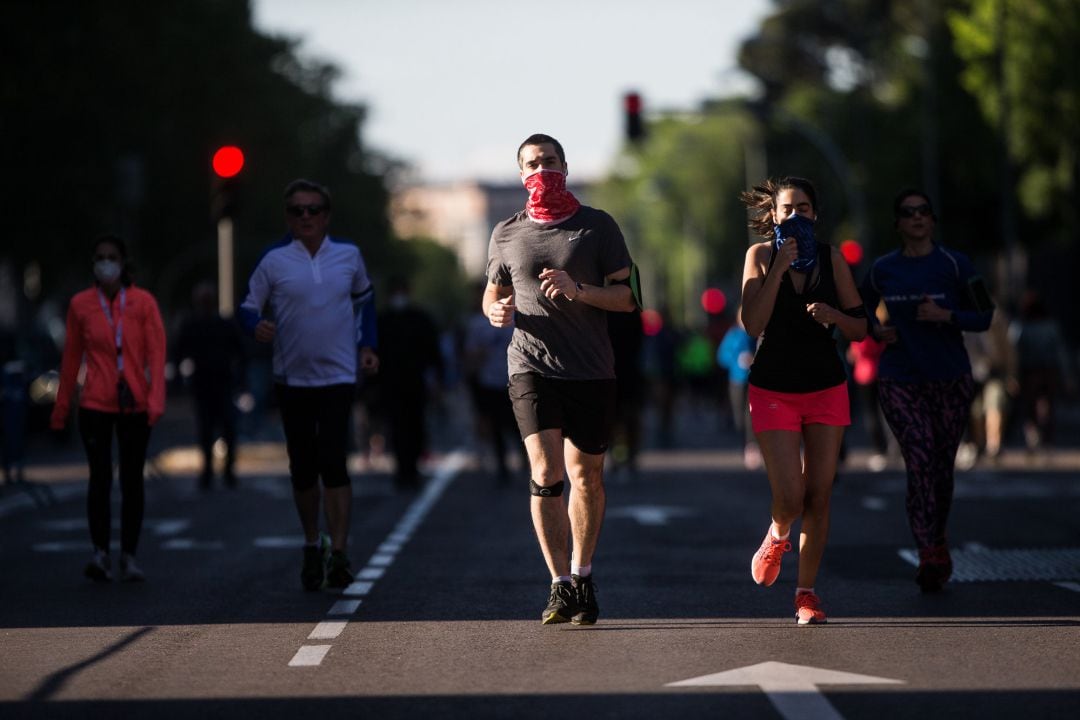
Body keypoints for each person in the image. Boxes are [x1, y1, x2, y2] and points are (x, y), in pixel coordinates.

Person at [484, 133, 637, 625]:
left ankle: (584, 574)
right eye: (532, 164)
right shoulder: (506, 233)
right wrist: (495, 310)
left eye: (549, 161)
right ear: (520, 174)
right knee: (547, 472)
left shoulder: (597, 227)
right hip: (530, 365)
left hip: (591, 369)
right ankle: (559, 585)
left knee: (586, 476)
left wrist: (580, 290)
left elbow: (628, 298)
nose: (541, 170)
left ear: (565, 167)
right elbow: (491, 294)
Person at [238, 179, 379, 591]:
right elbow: (247, 308)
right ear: (288, 216)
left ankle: (339, 551)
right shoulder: (274, 260)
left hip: (338, 375)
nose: (306, 217)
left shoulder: (348, 256)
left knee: (334, 462)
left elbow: (365, 302)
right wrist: (255, 326)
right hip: (292, 377)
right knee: (303, 468)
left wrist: (368, 345)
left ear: (326, 215)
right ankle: (309, 542)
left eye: (313, 209)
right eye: (297, 210)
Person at [739, 176, 867, 625]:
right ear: (773, 215)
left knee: (819, 495)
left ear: (817, 214)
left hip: (826, 386)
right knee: (791, 497)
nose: (796, 217)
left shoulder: (832, 259)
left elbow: (859, 326)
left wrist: (834, 316)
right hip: (773, 387)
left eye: (805, 209)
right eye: (787, 209)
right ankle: (777, 534)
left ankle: (806, 594)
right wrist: (778, 268)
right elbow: (752, 324)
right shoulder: (759, 256)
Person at [861, 189, 994, 592]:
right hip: (900, 378)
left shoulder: (956, 264)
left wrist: (947, 315)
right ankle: (928, 551)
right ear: (898, 223)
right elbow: (855, 307)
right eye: (908, 212)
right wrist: (874, 329)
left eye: (924, 211)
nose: (917, 217)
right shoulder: (883, 269)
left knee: (940, 468)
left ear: (932, 220)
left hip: (950, 378)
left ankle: (937, 538)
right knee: (918, 460)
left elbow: (985, 315)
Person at [50, 235, 166, 582]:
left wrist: (156, 400)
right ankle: (100, 553)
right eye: (100, 257)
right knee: (99, 479)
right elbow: (71, 359)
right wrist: (61, 407)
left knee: (132, 481)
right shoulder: (81, 305)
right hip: (95, 404)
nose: (106, 263)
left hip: (135, 405)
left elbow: (157, 355)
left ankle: (128, 555)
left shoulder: (143, 303)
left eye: (112, 257)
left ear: (123, 261)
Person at [175, 281, 247, 490]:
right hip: (204, 385)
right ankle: (210, 471)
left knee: (226, 429)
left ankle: (226, 472)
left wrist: (240, 379)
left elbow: (239, 352)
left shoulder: (222, 324)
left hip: (222, 384)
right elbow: (179, 352)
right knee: (208, 430)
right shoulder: (192, 325)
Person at [374, 276, 443, 490]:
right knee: (396, 427)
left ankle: (411, 469)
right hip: (391, 383)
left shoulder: (419, 319)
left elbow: (433, 351)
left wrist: (437, 378)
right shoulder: (383, 321)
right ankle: (402, 469)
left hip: (415, 382)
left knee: (415, 426)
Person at [463, 289, 526, 485]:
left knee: (512, 425)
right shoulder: (480, 323)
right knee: (503, 425)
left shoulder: (516, 317)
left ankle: (520, 462)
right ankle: (507, 464)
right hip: (494, 380)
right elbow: (473, 354)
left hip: (510, 379)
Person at [1009, 290, 1074, 455]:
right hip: (1048, 370)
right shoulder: (1050, 325)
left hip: (1030, 371)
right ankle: (1046, 439)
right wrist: (1066, 376)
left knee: (1031, 406)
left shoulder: (1021, 325)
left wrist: (1012, 375)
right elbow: (1060, 352)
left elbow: (1013, 350)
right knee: (1047, 406)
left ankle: (1034, 436)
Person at [716, 310, 760, 469]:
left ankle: (752, 446)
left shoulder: (756, 334)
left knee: (751, 413)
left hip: (753, 380)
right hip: (736, 380)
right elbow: (722, 356)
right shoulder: (733, 335)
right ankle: (745, 444)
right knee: (738, 416)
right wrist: (737, 360)